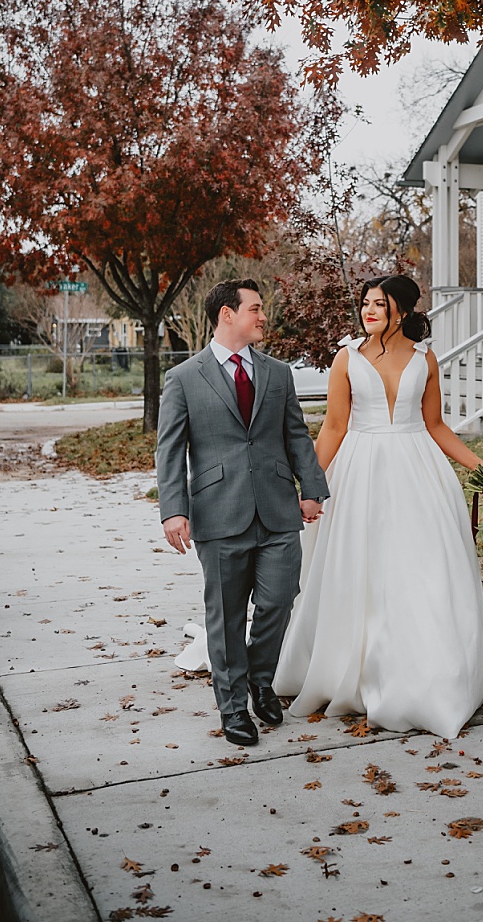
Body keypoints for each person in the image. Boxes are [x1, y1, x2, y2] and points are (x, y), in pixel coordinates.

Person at [274, 274, 483, 739]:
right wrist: (309, 485)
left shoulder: (425, 358)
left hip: (419, 472)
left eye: (380, 304)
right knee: (362, 570)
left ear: (405, 311)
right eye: (366, 303)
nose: (368, 311)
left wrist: (480, 466)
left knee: (424, 572)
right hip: (360, 470)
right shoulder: (346, 358)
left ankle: (428, 679)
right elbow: (333, 427)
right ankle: (356, 670)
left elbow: (435, 424)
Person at [154, 279, 329, 747]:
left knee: (278, 600)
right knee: (227, 615)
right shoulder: (185, 378)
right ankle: (233, 708)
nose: (262, 316)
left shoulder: (278, 373)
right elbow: (169, 450)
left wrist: (311, 489)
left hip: (276, 508)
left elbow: (296, 435)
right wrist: (173, 510)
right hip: (217, 512)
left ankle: (259, 678)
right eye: (255, 308)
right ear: (227, 314)